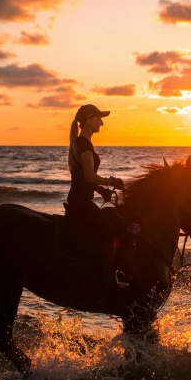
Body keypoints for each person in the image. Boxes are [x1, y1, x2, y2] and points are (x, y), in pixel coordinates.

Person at [67, 104, 127, 302]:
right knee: (110, 230)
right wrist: (110, 181)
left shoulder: (81, 143)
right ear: (89, 119)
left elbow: (82, 179)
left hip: (79, 199)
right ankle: (108, 276)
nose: (101, 122)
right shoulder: (84, 145)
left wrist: (101, 190)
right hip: (80, 203)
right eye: (99, 118)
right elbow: (89, 176)